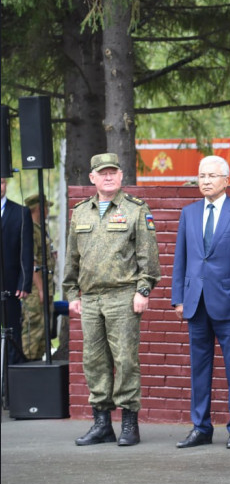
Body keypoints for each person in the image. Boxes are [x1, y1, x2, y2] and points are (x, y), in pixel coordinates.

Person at [64, 153, 160, 447]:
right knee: (94, 361)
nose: (108, 177)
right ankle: (101, 424)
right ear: (92, 178)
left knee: (126, 360)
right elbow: (72, 258)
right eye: (102, 173)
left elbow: (149, 259)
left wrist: (142, 291)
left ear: (120, 177)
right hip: (91, 299)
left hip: (123, 297)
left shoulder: (136, 210)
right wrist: (70, 293)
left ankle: (129, 423)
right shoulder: (80, 212)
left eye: (113, 172)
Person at [172, 156, 230, 450]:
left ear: (226, 180)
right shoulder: (189, 213)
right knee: (199, 368)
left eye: (212, 175)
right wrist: (179, 298)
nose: (206, 181)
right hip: (195, 303)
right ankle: (201, 426)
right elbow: (181, 259)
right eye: (201, 175)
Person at [1, 177, 33, 366]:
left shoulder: (21, 212)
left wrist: (24, 282)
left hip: (11, 283)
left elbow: (26, 250)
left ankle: (11, 376)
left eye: (2, 182)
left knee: (12, 331)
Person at [21, 194, 55, 361]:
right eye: (46, 207)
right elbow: (32, 264)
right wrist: (41, 289)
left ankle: (38, 361)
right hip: (36, 290)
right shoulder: (31, 231)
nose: (48, 211)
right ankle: (28, 364)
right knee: (34, 328)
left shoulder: (42, 229)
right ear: (39, 209)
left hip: (46, 287)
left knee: (45, 329)